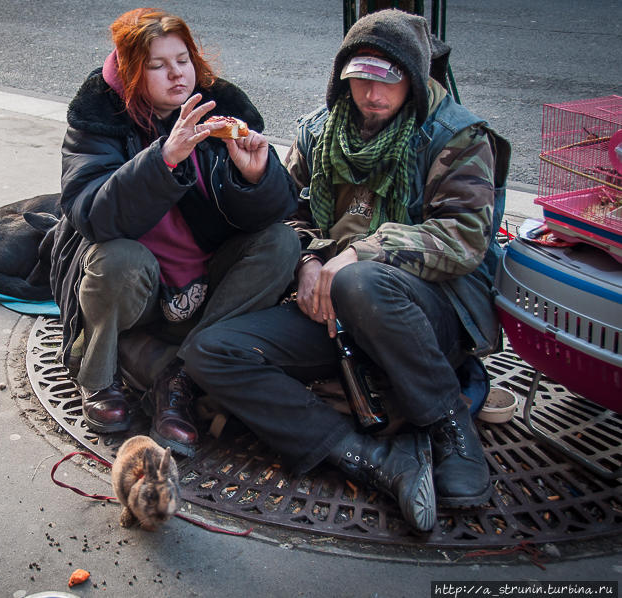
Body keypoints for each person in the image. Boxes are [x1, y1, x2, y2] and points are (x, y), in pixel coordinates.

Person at [183, 9, 510, 532]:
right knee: (210, 351)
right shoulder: (318, 132)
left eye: (389, 81)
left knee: (361, 281)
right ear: (343, 78)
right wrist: (308, 262)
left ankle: (450, 425)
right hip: (332, 311)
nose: (372, 95)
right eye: (359, 80)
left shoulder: (456, 137)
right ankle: (372, 459)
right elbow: (289, 214)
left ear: (416, 81)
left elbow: (465, 239)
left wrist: (363, 253)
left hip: (422, 313)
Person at [49, 8, 299, 457]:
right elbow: (92, 215)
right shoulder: (98, 116)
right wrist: (162, 159)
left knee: (281, 242)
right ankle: (98, 377)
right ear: (130, 70)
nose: (176, 75)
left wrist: (255, 177)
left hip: (206, 279)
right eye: (157, 65)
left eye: (182, 60)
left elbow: (276, 210)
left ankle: (180, 375)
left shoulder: (222, 107)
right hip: (139, 288)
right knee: (117, 258)